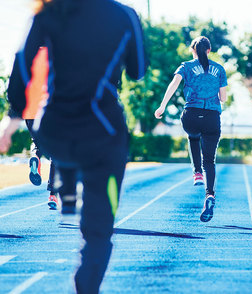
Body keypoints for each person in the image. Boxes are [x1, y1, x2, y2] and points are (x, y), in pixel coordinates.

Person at [0, 0, 146, 292]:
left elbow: (22, 63)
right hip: (103, 133)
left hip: (53, 128)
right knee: (98, 230)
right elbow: (137, 70)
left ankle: (65, 182)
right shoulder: (124, 15)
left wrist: (11, 119)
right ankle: (86, 285)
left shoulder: (49, 12)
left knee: (60, 148)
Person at [154, 36, 227, 223]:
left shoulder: (185, 66)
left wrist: (162, 106)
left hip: (191, 115)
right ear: (209, 51)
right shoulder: (219, 69)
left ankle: (197, 173)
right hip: (212, 117)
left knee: (193, 136)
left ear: (192, 50)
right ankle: (210, 194)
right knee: (209, 160)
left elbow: (173, 85)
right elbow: (224, 98)